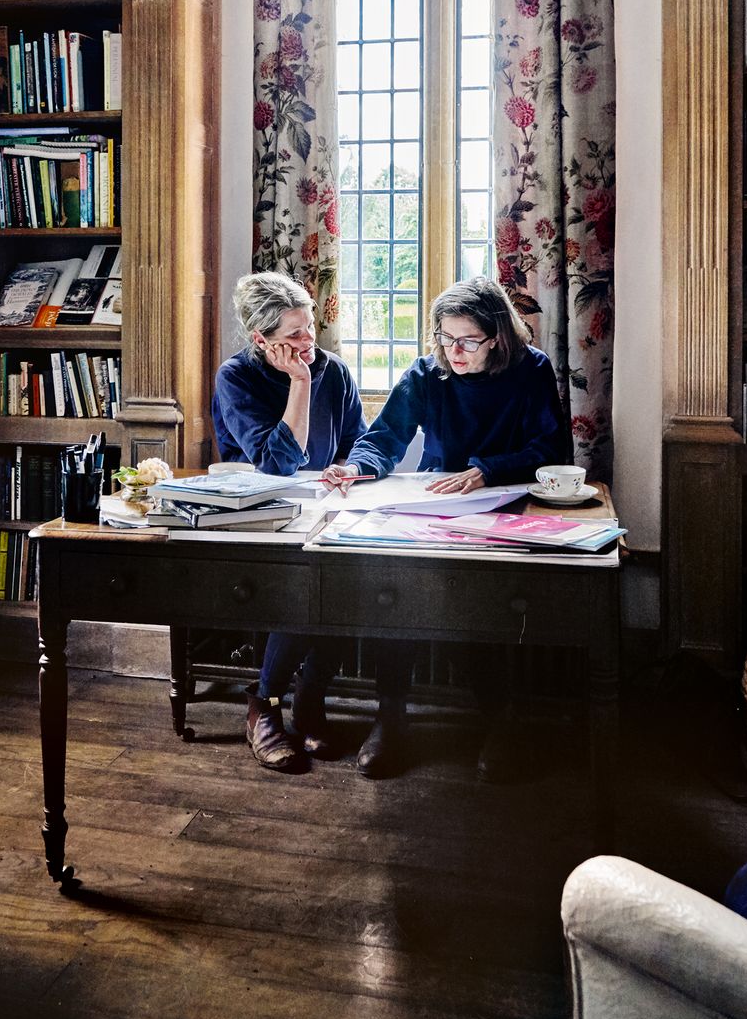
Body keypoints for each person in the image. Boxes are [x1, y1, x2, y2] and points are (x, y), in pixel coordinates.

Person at [320, 277, 571, 781]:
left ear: (497, 337)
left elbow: (552, 449)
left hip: (505, 499)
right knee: (394, 592)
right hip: (437, 504)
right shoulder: (427, 373)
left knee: (485, 603)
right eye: (445, 338)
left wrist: (487, 469)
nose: (454, 351)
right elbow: (385, 436)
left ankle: (499, 720)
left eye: (468, 341)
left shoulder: (531, 369)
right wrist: (358, 467)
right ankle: (389, 717)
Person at [213, 271, 366, 773]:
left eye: (311, 326)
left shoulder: (335, 371)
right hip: (261, 516)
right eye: (294, 335)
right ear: (262, 341)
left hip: (326, 507)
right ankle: (264, 703)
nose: (309, 342)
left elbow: (356, 442)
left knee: (351, 580)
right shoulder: (236, 378)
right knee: (306, 584)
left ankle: (311, 697)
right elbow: (276, 464)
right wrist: (299, 383)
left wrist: (352, 468)